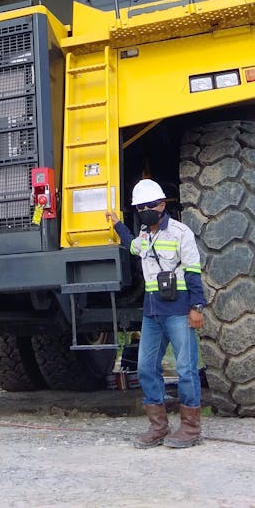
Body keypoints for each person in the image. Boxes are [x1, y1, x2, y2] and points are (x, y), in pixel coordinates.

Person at [106, 178, 206, 448]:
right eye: (140, 207)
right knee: (146, 368)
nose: (145, 210)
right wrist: (116, 224)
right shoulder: (144, 236)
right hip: (152, 312)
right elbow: (131, 246)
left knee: (186, 369)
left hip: (179, 309)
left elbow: (194, 272)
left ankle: (190, 428)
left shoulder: (180, 232)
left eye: (150, 205)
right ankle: (158, 427)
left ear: (162, 204)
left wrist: (196, 308)